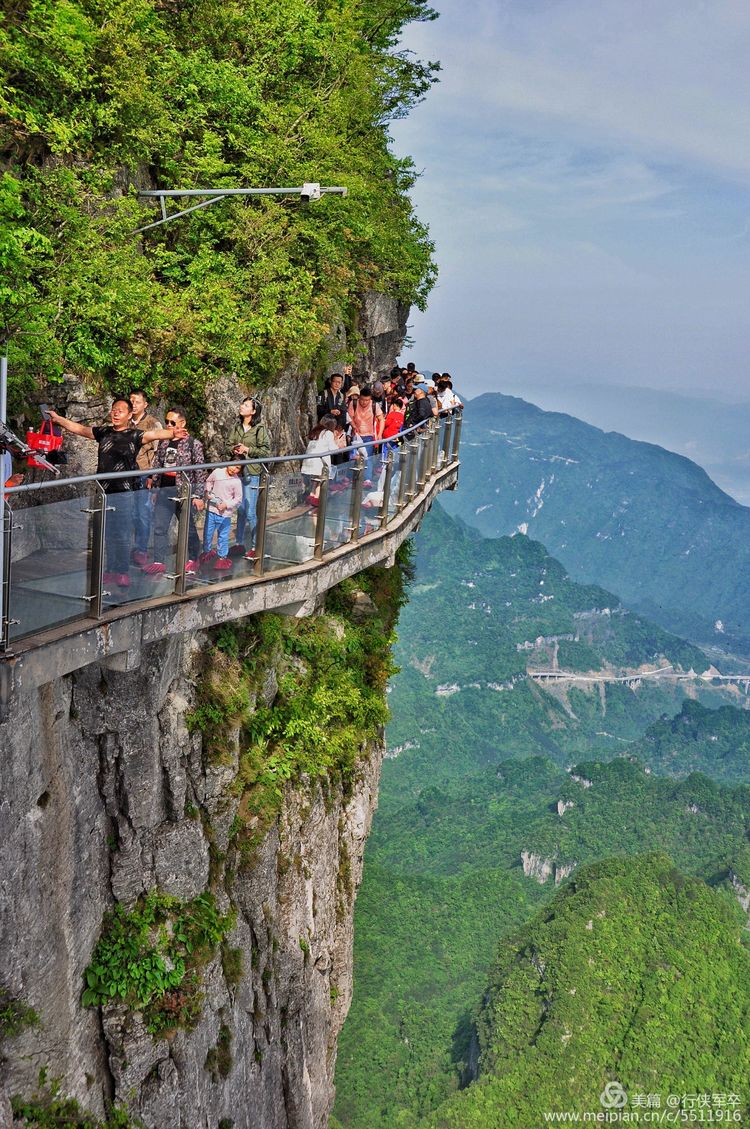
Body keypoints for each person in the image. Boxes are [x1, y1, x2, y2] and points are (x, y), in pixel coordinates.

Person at [48, 398, 185, 587]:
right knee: (107, 533)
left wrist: (172, 433)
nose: (116, 412)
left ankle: (122, 571)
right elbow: (81, 429)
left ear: (129, 415)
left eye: (120, 410)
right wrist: (59, 419)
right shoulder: (104, 432)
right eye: (114, 409)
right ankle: (110, 570)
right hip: (103, 491)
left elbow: (155, 434)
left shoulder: (134, 435)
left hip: (124, 492)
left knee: (122, 533)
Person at [145, 406, 206, 577]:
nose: (168, 425)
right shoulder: (164, 441)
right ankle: (159, 561)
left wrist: (199, 495)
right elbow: (157, 464)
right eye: (167, 421)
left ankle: (194, 558)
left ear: (182, 423)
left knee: (188, 527)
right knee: (159, 527)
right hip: (164, 490)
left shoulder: (193, 444)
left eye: (172, 422)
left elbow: (200, 471)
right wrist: (154, 488)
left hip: (184, 492)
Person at [226, 397, 271, 561]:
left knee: (251, 512)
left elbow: (266, 451)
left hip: (252, 473)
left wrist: (247, 450)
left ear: (253, 411)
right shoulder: (236, 427)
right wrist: (234, 449)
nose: (241, 406)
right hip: (237, 473)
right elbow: (227, 445)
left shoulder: (260, 429)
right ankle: (239, 543)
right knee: (241, 510)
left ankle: (256, 546)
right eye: (242, 404)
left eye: (246, 405)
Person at [129, 389, 162, 566]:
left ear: (145, 404)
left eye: (137, 402)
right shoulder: (125, 421)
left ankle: (141, 549)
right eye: (131, 401)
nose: (134, 405)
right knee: (128, 512)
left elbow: (158, 453)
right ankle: (128, 548)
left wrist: (152, 476)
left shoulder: (153, 423)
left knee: (142, 513)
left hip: (143, 473)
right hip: (125, 473)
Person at [202, 463, 243, 570]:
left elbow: (238, 499)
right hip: (212, 509)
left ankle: (222, 557)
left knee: (223, 536)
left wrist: (227, 505)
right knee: (207, 533)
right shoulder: (217, 472)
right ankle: (207, 551)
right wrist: (207, 492)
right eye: (233, 465)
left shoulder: (237, 481)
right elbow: (208, 481)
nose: (234, 469)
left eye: (238, 468)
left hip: (225, 514)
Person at [347, 384, 383, 485]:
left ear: (370, 398)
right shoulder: (353, 403)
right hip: (356, 436)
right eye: (362, 400)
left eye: (367, 400)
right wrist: (354, 426)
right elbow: (349, 417)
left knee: (368, 458)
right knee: (353, 457)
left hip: (368, 436)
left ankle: (367, 479)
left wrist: (379, 434)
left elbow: (381, 419)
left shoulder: (374, 405)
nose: (364, 402)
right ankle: (352, 478)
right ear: (359, 397)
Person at [301, 416, 340, 505]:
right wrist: (339, 446)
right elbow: (333, 448)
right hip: (320, 461)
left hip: (310, 460)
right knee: (321, 478)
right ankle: (316, 497)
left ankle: (311, 494)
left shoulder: (316, 431)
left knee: (316, 478)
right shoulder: (328, 433)